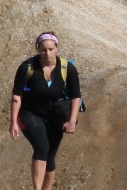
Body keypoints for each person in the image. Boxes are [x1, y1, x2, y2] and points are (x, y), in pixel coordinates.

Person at [10, 31, 82, 190]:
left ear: (57, 48)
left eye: (50, 49)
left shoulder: (67, 68)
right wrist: (13, 122)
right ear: (38, 49)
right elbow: (17, 96)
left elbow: (76, 97)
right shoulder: (27, 67)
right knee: (42, 148)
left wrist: (72, 121)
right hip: (30, 114)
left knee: (50, 157)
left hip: (55, 117)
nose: (47, 53)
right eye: (43, 49)